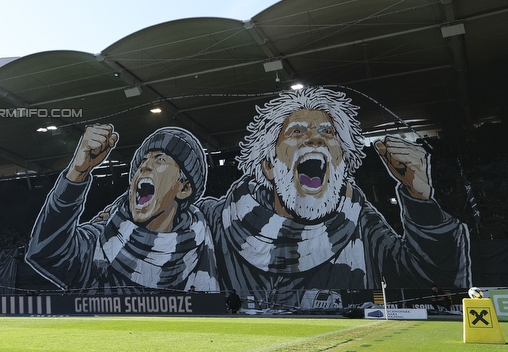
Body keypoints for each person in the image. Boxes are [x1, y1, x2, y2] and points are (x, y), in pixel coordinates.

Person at [198, 87, 471, 307]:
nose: (314, 140)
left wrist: (419, 199)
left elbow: (431, 282)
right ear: (269, 165)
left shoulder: (362, 224)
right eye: (297, 131)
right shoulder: (216, 223)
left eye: (327, 132)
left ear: (342, 163)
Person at [25, 125, 217, 293]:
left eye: (160, 160)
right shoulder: (100, 240)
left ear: (184, 188)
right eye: (142, 160)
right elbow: (45, 252)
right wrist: (77, 172)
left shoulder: (206, 243)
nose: (145, 166)